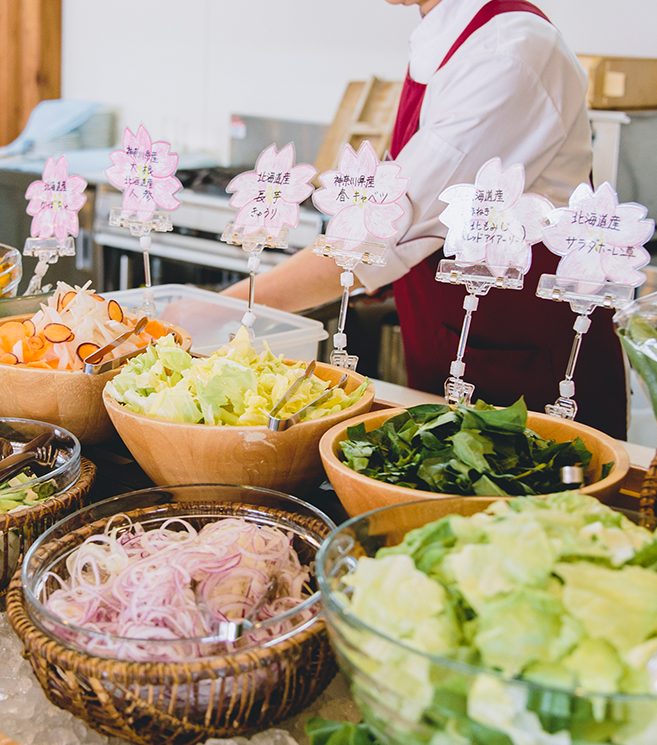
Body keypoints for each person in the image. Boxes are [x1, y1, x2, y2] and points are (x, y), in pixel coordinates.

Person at [222, 0, 628, 439]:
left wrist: (225, 309)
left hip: (525, 359)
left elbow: (379, 234)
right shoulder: (448, 36)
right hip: (453, 339)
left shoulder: (507, 51)